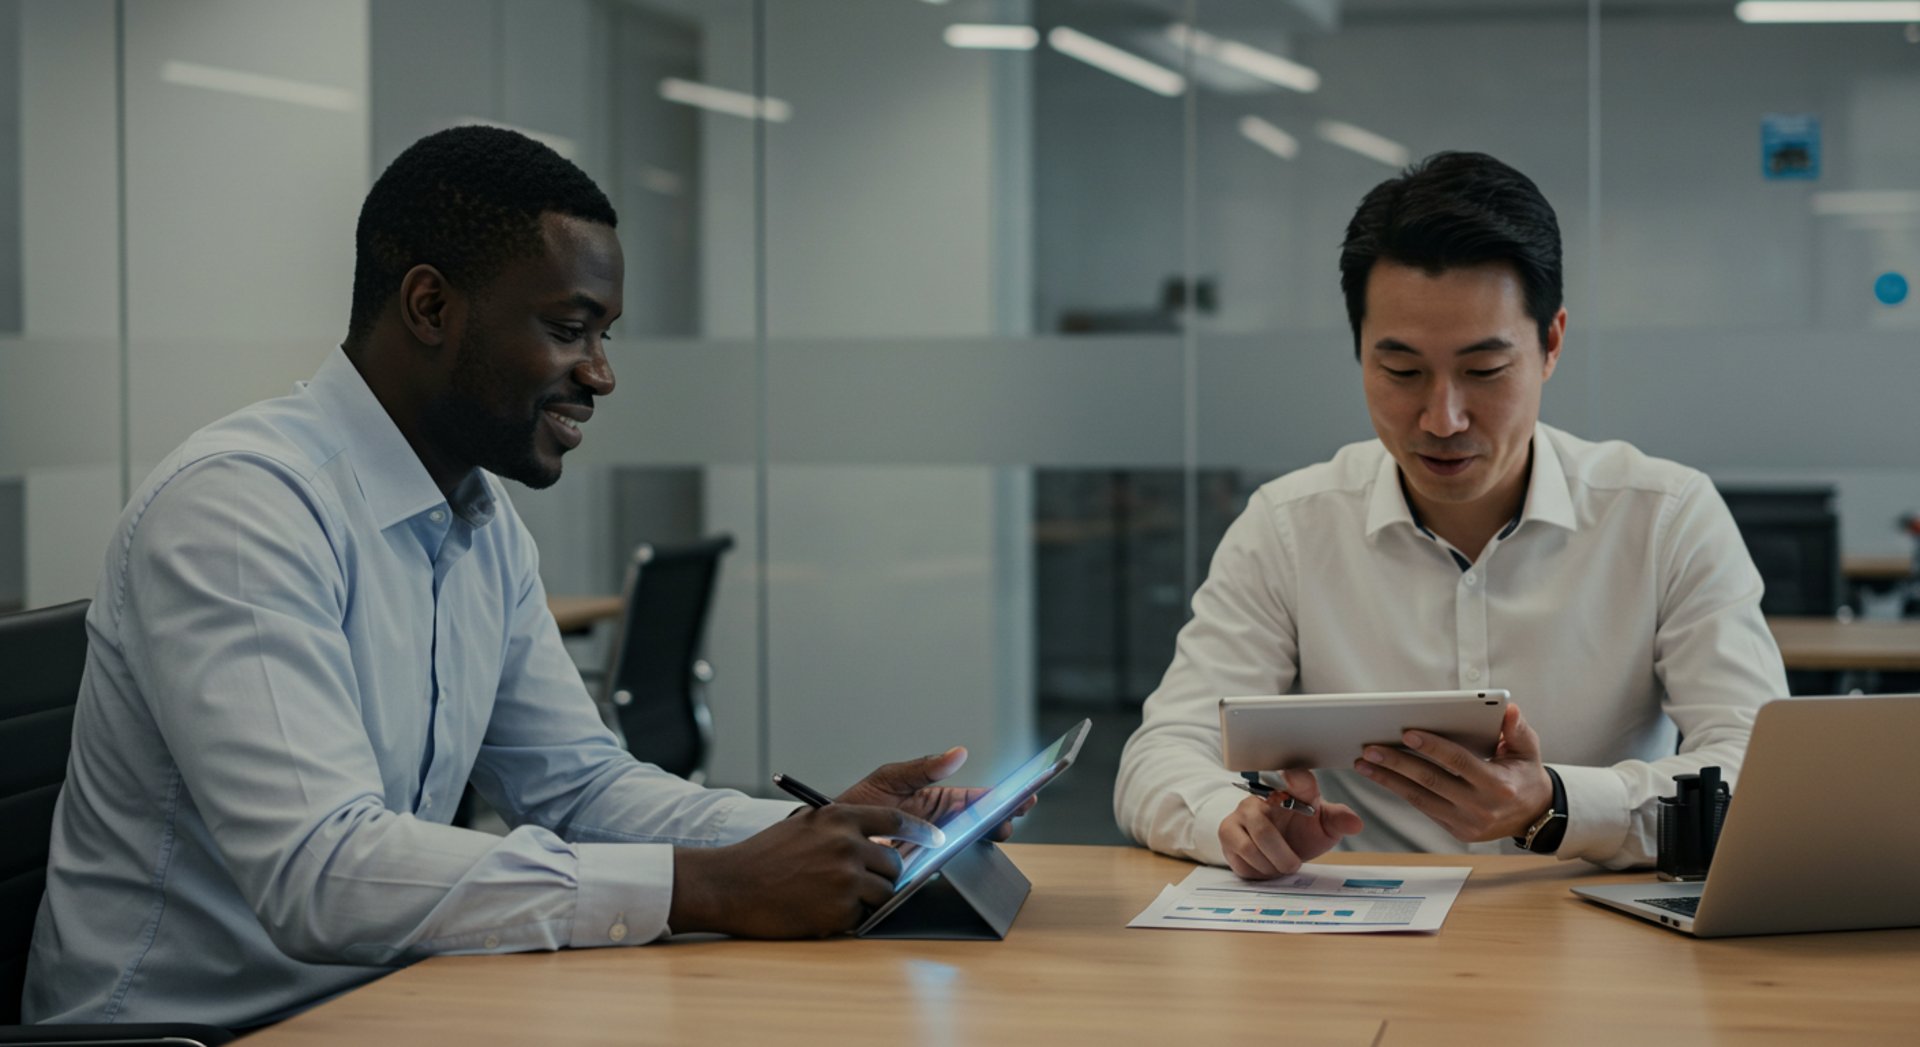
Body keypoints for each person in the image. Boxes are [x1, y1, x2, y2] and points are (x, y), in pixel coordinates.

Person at [24, 126, 1020, 1029]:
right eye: (569, 326)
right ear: (429, 306)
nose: (600, 374)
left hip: (381, 999)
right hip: (198, 1029)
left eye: (605, 334)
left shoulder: (476, 520)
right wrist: (706, 889)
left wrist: (822, 836)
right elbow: (320, 871)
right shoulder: (242, 510)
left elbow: (577, 786)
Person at [1114, 151, 1786, 880]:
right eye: (1400, 370)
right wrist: (1233, 820)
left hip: (1596, 941)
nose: (1442, 418)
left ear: (1551, 342)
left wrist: (1557, 804)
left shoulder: (1664, 518)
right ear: (1359, 351)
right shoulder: (1289, 526)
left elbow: (1760, 769)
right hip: (1357, 946)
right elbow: (1161, 753)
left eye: (1484, 371)